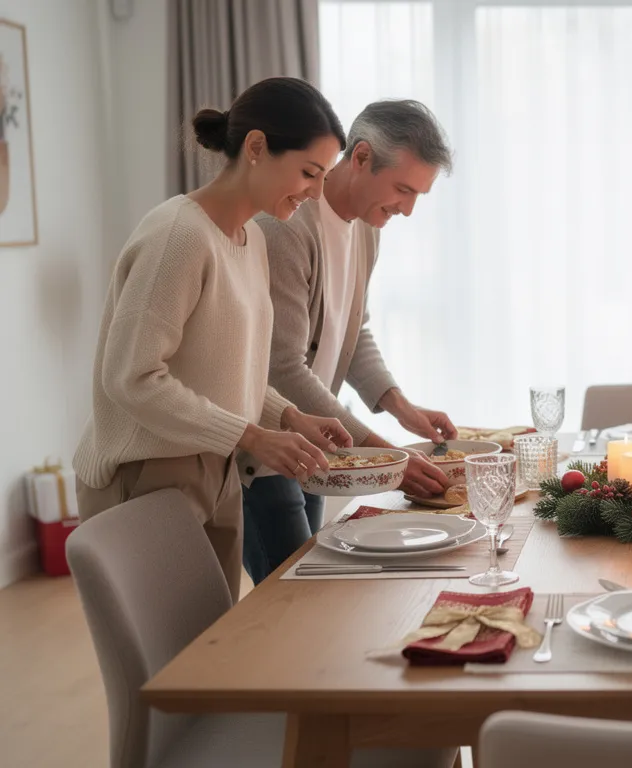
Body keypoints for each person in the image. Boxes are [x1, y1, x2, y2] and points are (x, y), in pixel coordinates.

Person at [73, 77, 354, 601]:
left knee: (208, 654)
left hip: (216, 468)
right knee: (175, 668)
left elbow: (225, 369)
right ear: (255, 148)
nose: (316, 192)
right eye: (309, 173)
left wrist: (288, 416)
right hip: (148, 474)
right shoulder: (178, 236)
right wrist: (251, 436)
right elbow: (131, 378)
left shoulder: (249, 242)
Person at [241, 99, 458, 582]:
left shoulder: (365, 229)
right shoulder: (286, 227)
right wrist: (384, 455)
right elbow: (282, 367)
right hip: (266, 452)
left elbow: (351, 331)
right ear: (360, 158)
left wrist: (401, 407)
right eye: (403, 189)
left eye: (418, 195)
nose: (407, 209)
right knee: (293, 600)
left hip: (316, 443)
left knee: (313, 590)